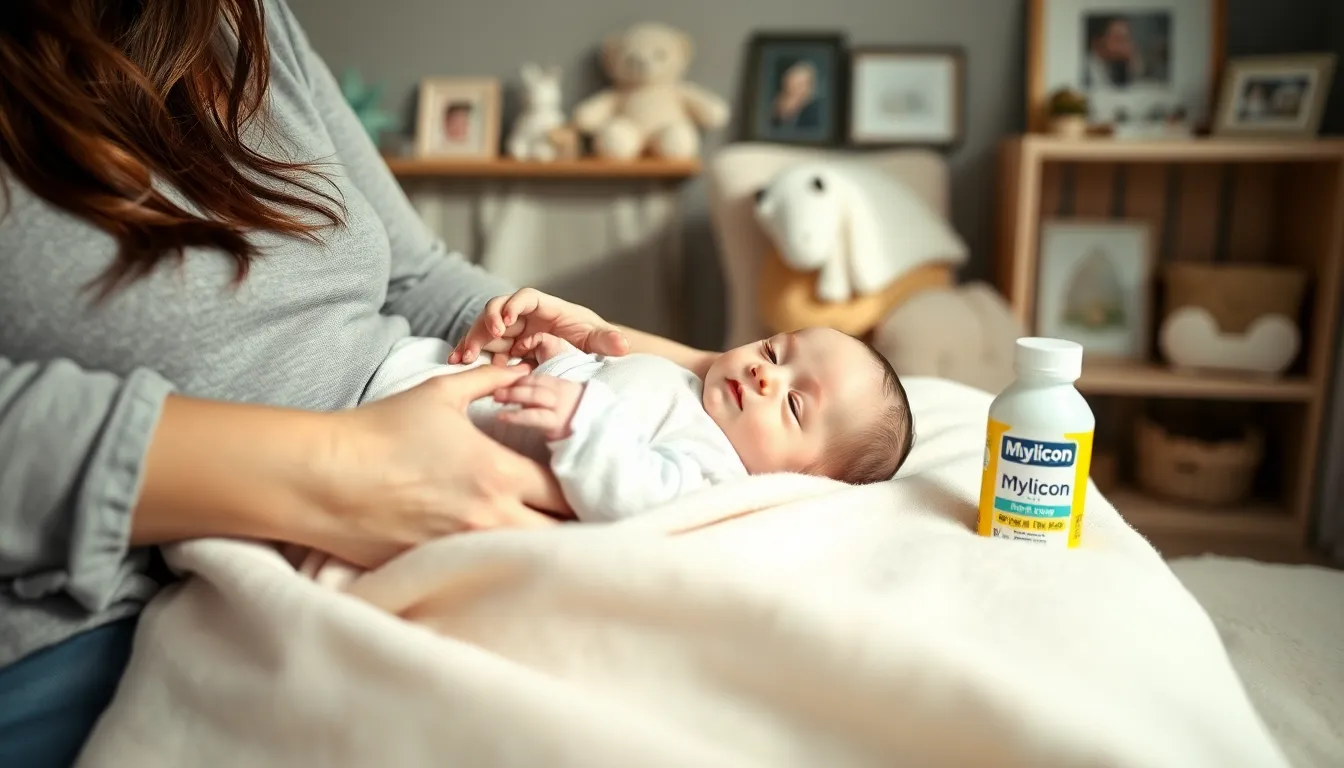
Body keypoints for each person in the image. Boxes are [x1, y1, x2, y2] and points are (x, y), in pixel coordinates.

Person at [0, 1, 713, 765]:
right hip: (73, 631)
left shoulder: (237, 18)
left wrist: (700, 372)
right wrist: (344, 473)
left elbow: (414, 274)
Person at [383, 289, 916, 522]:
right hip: (418, 365)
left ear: (803, 480)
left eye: (796, 406)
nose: (764, 373)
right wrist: (563, 358)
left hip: (405, 419)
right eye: (776, 351)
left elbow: (639, 495)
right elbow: (603, 383)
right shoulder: (689, 386)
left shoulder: (713, 467)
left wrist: (582, 420)